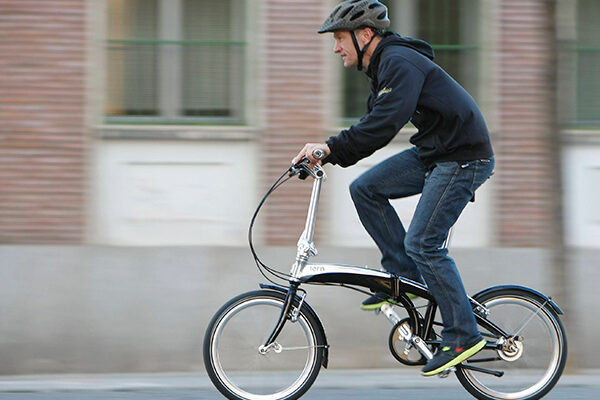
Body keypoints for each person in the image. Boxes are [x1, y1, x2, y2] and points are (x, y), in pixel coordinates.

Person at [293, 0, 495, 376]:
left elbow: (384, 124)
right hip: (436, 152)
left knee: (423, 243)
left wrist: (330, 147)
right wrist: (328, 153)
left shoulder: (399, 62)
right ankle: (403, 275)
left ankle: (463, 335)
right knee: (365, 189)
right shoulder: (383, 67)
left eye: (340, 38)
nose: (336, 48)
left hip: (463, 157)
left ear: (365, 34)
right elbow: (372, 121)